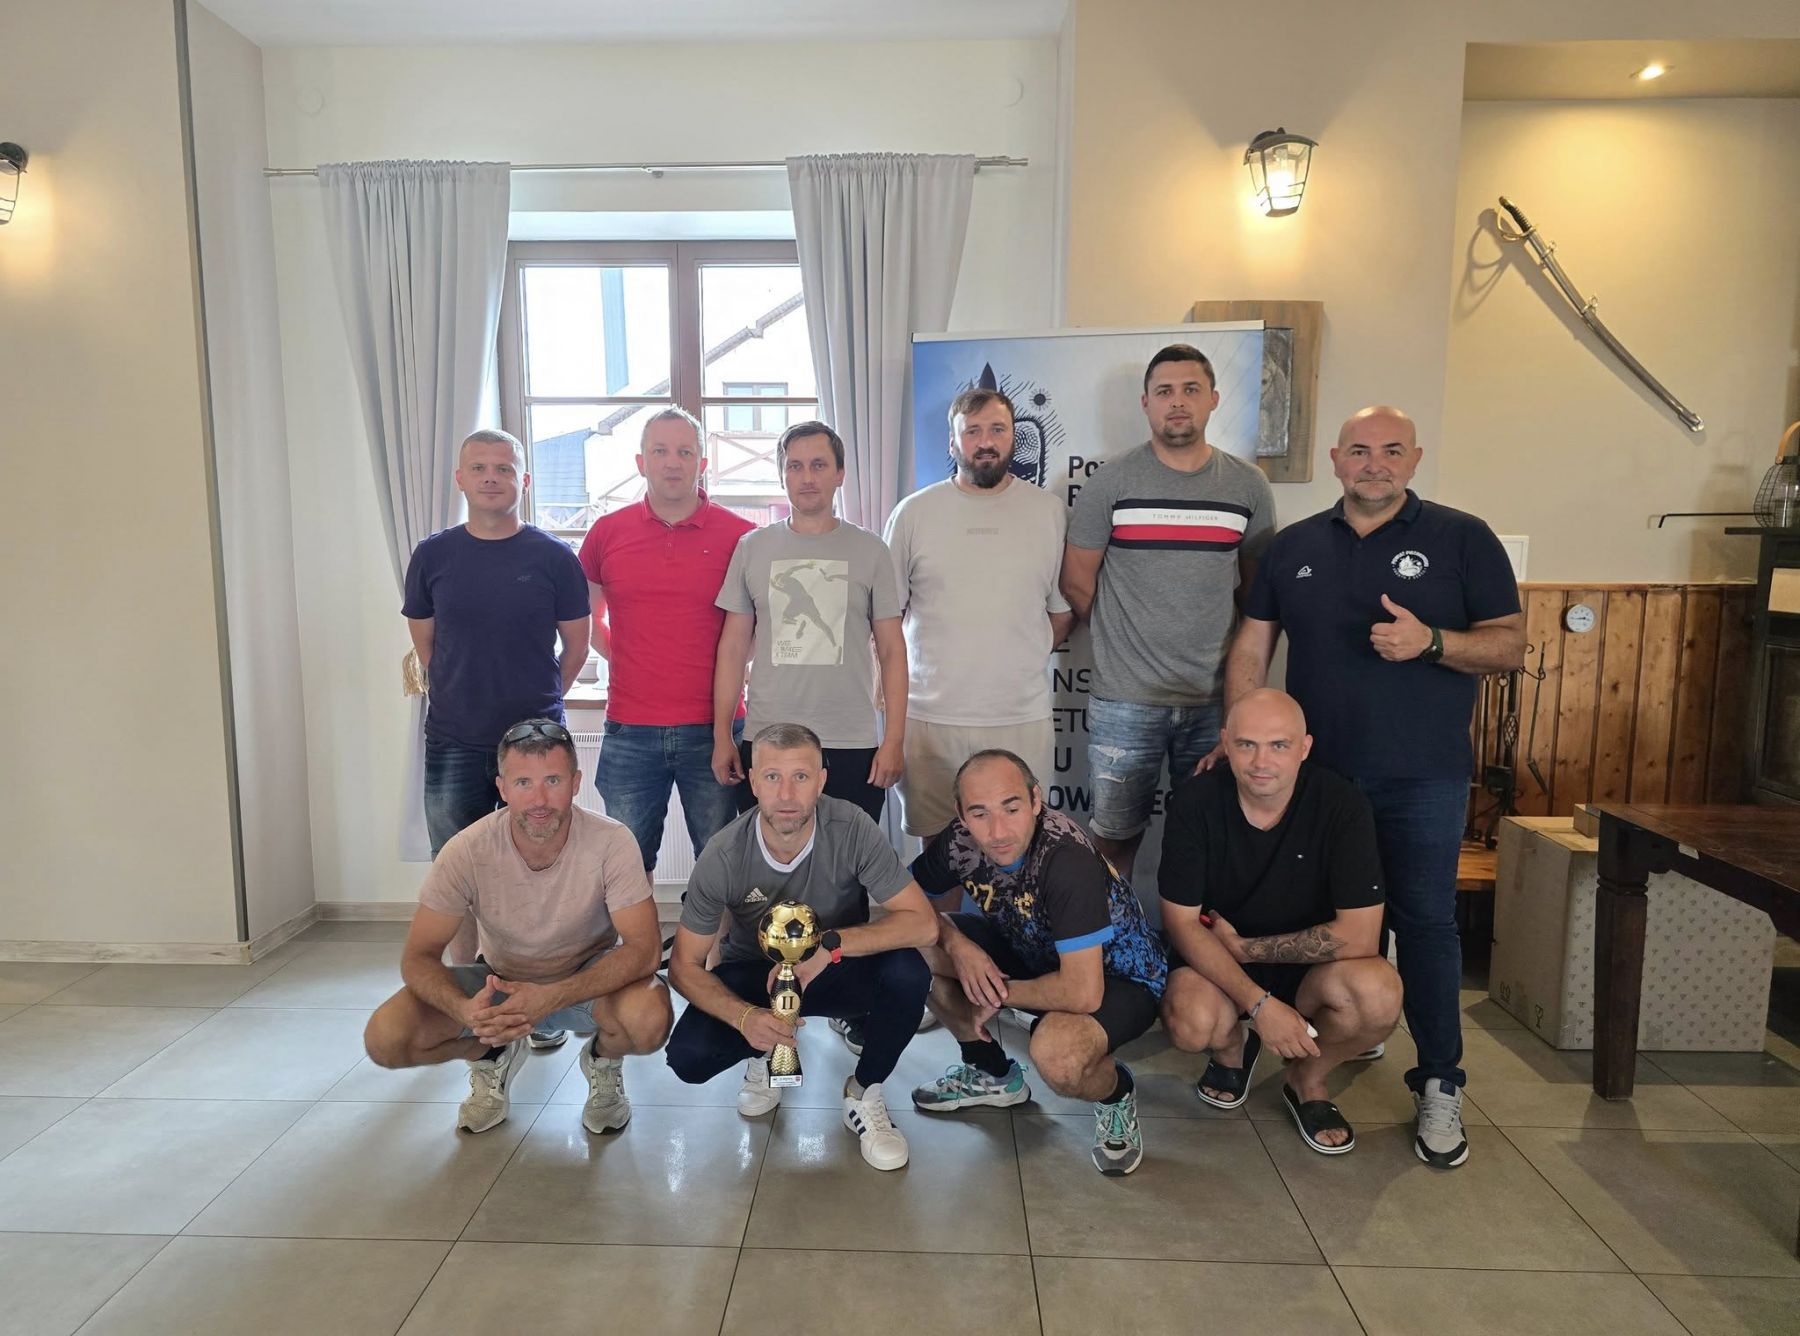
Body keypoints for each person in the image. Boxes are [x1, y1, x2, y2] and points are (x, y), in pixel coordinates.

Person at [1223, 405, 1524, 1168]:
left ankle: (1440, 1081)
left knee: (1424, 925)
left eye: (1392, 450)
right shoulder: (1293, 547)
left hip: (1423, 775)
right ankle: (1316, 1046)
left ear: (1414, 460)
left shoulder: (1463, 537)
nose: (1374, 464)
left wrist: (1433, 643)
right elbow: (1253, 646)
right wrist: (1240, 738)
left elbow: (1510, 646)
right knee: (1308, 918)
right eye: (1359, 450)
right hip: (1316, 779)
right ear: (1336, 459)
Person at [363, 719, 672, 1136]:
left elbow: (645, 949)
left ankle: (603, 1060)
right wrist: (465, 1011)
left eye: (553, 780)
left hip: (585, 981)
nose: (539, 799)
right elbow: (418, 956)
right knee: (386, 1038)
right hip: (500, 983)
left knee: (649, 1019)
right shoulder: (467, 849)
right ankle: (491, 1052)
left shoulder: (611, 841)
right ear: (502, 788)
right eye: (523, 782)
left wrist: (552, 996)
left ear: (576, 782)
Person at [665, 723, 938, 1171]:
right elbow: (683, 966)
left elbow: (923, 924)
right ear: (753, 782)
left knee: (909, 972)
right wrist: (744, 1017)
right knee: (688, 1058)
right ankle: (763, 1051)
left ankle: (864, 1090)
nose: (787, 794)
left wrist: (829, 947)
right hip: (756, 975)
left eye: (801, 776)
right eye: (773, 777)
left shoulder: (852, 826)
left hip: (833, 967)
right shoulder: (724, 853)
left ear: (822, 781)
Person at [402, 428, 592, 1051]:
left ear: (523, 481)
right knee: (456, 870)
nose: (492, 477)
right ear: (460, 478)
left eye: (504, 468)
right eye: (479, 467)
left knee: (540, 867)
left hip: (535, 742)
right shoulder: (433, 556)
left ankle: (542, 1003)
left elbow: (577, 647)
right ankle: (471, 1001)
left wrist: (541, 705)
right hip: (454, 739)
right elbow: (426, 646)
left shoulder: (554, 558)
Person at [1060, 345, 1275, 879]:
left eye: (1190, 390)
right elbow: (1076, 581)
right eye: (1164, 392)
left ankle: (1191, 937)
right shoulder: (1112, 482)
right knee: (1112, 840)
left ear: (1213, 400)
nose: (1177, 402)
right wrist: (1124, 639)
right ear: (1146, 403)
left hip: (1213, 701)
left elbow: (1257, 596)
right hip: (1124, 700)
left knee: (1209, 835)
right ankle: (1114, 936)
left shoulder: (1248, 485)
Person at [1159, 690, 1402, 1156]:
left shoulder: (1342, 805)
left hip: (1306, 969)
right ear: (1225, 743)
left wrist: (1248, 949)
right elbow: (1181, 923)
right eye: (1246, 744)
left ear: (1304, 748)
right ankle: (1233, 1051)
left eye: (1278, 745)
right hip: (1220, 964)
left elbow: (1361, 936)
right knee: (1190, 1021)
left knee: (1379, 996)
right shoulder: (1195, 802)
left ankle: (1307, 1078)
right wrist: (1259, 1004)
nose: (1261, 762)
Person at [909, 750, 1168, 1176]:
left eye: (1011, 808)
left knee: (1058, 1057)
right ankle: (991, 1072)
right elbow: (902, 903)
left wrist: (993, 992)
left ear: (1035, 799)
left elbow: (1083, 993)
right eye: (979, 813)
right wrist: (957, 946)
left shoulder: (1065, 858)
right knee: (911, 947)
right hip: (1029, 950)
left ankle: (1115, 1092)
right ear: (961, 813)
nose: (997, 831)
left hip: (1118, 978)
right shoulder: (958, 840)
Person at [883, 386, 1073, 839]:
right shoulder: (913, 514)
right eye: (972, 431)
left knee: (1021, 848)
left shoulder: (1048, 512)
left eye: (997, 429)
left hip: (1019, 717)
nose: (985, 441)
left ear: (1013, 437)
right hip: (930, 718)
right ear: (952, 443)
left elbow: (1061, 612)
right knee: (940, 851)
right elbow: (886, 620)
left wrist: (1017, 656)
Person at [578, 408, 753, 875]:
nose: (672, 462)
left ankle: (712, 932)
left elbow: (754, 630)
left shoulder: (742, 537)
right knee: (627, 866)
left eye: (684, 452)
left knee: (722, 864)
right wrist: (624, 656)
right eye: (660, 451)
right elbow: (585, 618)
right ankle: (637, 930)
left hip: (717, 729)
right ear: (641, 462)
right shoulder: (606, 533)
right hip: (630, 728)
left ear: (703, 462)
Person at [712, 422, 906, 824]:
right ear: (782, 476)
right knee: (771, 858)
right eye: (795, 466)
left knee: (849, 859)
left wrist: (893, 740)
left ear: (840, 474)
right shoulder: (752, 548)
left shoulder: (871, 550)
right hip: (768, 739)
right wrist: (722, 736)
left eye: (819, 465)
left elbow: (892, 651)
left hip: (850, 740)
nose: (807, 477)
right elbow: (732, 650)